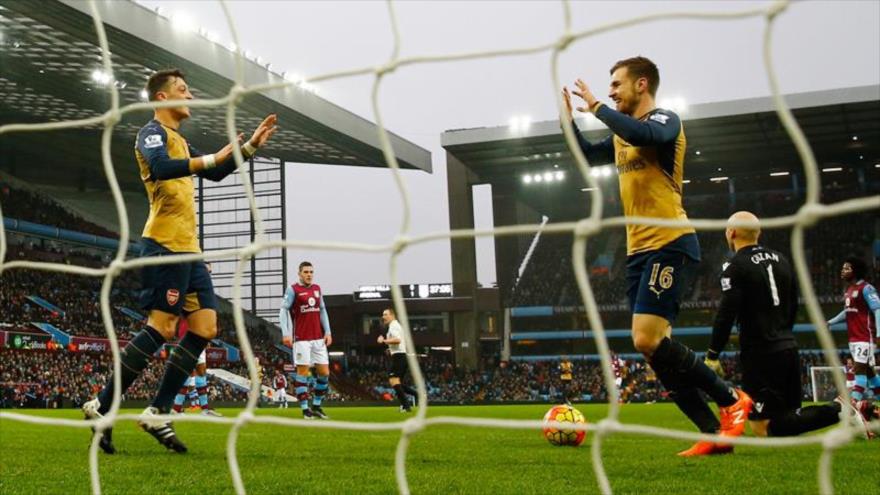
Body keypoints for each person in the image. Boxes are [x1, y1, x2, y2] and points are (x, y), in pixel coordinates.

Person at [562, 56, 751, 456]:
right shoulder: (620, 135)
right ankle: (712, 433)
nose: (611, 91)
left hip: (670, 242)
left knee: (645, 337)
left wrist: (598, 107)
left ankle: (732, 399)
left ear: (642, 84)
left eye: (616, 84)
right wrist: (568, 123)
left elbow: (643, 133)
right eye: (608, 87)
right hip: (636, 252)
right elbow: (588, 156)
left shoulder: (667, 121)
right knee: (654, 349)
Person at [82, 68, 277, 453]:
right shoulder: (151, 133)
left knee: (205, 326)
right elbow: (160, 167)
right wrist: (208, 158)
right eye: (182, 90)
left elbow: (216, 173)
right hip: (164, 245)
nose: (189, 96)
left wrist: (250, 146)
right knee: (163, 327)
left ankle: (157, 410)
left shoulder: (181, 142)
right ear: (162, 98)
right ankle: (102, 405)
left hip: (190, 250)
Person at [705, 211, 841, 440]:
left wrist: (713, 354)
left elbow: (726, 313)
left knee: (763, 428)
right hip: (788, 346)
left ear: (731, 232)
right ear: (758, 232)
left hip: (761, 353)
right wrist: (784, 332)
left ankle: (841, 409)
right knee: (790, 417)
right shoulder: (782, 259)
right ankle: (846, 410)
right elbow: (793, 303)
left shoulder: (735, 266)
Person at [826, 256, 880, 420]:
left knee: (859, 370)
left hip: (865, 336)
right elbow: (847, 311)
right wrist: (831, 322)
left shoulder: (867, 288)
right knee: (870, 374)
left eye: (847, 268)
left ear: (855, 271)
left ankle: (852, 405)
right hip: (854, 338)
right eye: (843, 268)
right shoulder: (849, 290)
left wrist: (879, 334)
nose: (843, 271)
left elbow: (878, 310)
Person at [279, 261, 332, 419]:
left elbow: (322, 310)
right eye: (306, 272)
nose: (309, 274)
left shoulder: (317, 289)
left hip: (318, 338)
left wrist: (327, 331)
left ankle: (316, 406)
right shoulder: (293, 289)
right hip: (301, 338)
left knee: (324, 373)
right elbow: (283, 311)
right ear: (300, 273)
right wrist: (286, 333)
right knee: (302, 373)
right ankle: (304, 409)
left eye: (311, 272)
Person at [377, 308, 417, 412]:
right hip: (400, 356)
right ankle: (416, 395)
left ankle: (406, 406)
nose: (383, 317)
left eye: (386, 314)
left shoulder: (394, 326)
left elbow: (397, 340)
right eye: (383, 314)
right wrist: (389, 349)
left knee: (393, 381)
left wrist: (384, 341)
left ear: (392, 315)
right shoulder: (394, 325)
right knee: (398, 383)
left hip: (399, 357)